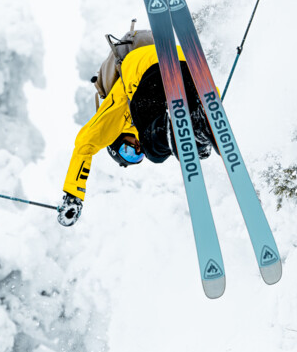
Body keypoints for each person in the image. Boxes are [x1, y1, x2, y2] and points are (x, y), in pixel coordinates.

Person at [58, 32, 216, 226]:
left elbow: (84, 145)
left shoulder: (115, 112)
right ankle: (200, 130)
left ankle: (197, 128)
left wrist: (73, 194)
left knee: (156, 153)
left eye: (129, 151)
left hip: (149, 70)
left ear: (115, 140)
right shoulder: (149, 125)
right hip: (189, 65)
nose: (137, 149)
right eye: (135, 157)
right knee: (182, 144)